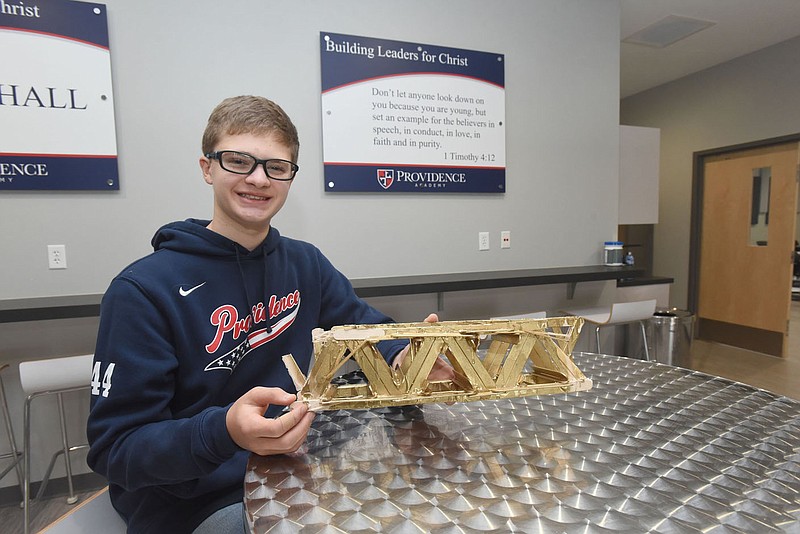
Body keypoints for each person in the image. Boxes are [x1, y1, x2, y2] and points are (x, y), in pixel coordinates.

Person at [87, 95, 453, 533]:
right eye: (239, 161)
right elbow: (116, 450)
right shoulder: (142, 291)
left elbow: (362, 327)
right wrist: (224, 431)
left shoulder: (306, 264)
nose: (258, 179)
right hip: (199, 500)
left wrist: (401, 358)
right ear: (207, 168)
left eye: (276, 167)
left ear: (289, 177)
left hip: (301, 466)